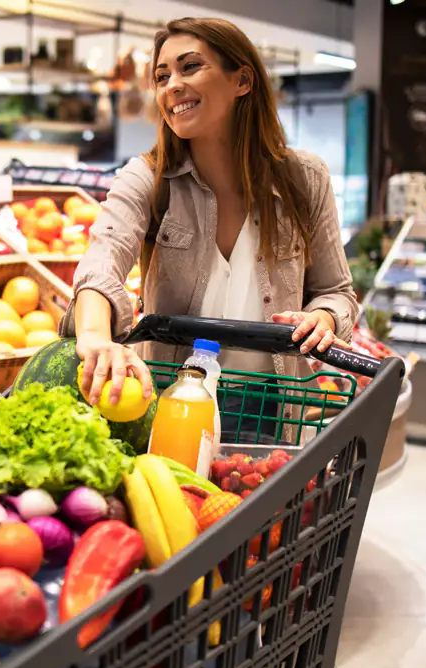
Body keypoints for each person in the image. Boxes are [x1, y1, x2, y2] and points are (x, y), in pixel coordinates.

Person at [58, 17, 358, 420]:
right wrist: (96, 337)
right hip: (169, 401)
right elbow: (102, 260)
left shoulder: (304, 179)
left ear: (243, 80)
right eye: (162, 77)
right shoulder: (149, 178)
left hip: (273, 409)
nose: (172, 86)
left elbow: (336, 291)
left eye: (190, 67)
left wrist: (323, 317)